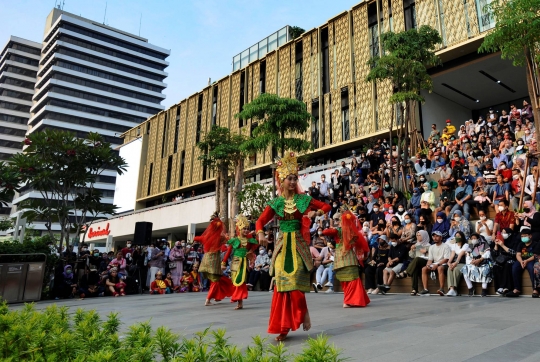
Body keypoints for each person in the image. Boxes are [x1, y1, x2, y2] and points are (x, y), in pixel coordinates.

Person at [256, 152, 331, 341]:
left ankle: (303, 313)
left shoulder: (303, 199)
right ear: (282, 180)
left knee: (296, 283)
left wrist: (317, 212)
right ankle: (282, 327)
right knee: (281, 285)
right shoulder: (276, 203)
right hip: (282, 246)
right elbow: (260, 222)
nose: (292, 181)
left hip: (297, 244)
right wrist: (260, 233)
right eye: (289, 178)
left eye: (294, 178)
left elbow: (326, 206)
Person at [322, 209, 370, 307]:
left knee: (345, 280)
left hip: (340, 257)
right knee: (353, 279)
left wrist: (331, 226)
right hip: (350, 257)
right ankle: (350, 301)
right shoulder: (352, 232)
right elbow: (358, 243)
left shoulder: (338, 230)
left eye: (338, 220)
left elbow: (325, 231)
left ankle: (348, 300)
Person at [195, 213, 234, 306]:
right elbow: (230, 242)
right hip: (214, 261)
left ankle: (217, 296)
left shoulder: (206, 237)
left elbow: (197, 238)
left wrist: (194, 238)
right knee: (215, 281)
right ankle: (208, 300)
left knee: (217, 280)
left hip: (205, 260)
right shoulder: (220, 238)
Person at [223, 214, 259, 310]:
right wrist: (223, 263)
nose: (246, 230)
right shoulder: (235, 240)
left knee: (241, 281)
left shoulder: (249, 240)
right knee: (236, 281)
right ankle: (239, 301)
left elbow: (254, 247)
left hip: (243, 263)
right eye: (244, 228)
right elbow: (228, 251)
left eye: (247, 228)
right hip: (235, 262)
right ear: (239, 229)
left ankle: (239, 301)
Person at [506, 228, 536, 297]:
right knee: (514, 267)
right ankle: (517, 289)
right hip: (521, 260)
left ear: (530, 236)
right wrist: (521, 261)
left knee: (532, 268)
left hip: (531, 260)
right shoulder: (520, 244)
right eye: (522, 236)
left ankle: (535, 290)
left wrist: (527, 260)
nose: (523, 238)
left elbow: (536, 255)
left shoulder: (535, 244)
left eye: (525, 236)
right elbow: (518, 255)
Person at [419, 231, 451, 296]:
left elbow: (446, 259)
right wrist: (428, 265)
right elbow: (430, 259)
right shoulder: (432, 247)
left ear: (441, 237)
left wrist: (437, 264)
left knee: (440, 268)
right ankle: (426, 289)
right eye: (433, 236)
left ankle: (442, 289)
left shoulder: (446, 246)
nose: (435, 238)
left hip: (444, 264)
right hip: (435, 264)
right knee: (424, 269)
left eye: (437, 236)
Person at [444, 232, 470, 296]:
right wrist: (449, 263)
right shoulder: (454, 245)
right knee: (449, 269)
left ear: (462, 237)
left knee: (456, 269)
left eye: (459, 236)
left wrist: (456, 262)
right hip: (455, 263)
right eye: (456, 236)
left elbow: (460, 254)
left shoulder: (465, 245)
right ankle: (451, 289)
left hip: (463, 263)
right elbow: (452, 255)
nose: (457, 237)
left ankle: (455, 289)